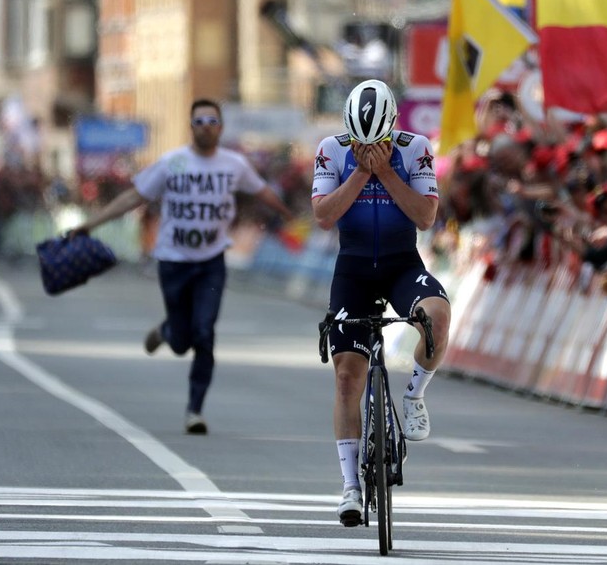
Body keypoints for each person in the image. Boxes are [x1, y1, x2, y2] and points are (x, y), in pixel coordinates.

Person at [71, 98, 293, 435]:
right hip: (174, 261)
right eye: (199, 121)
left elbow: (263, 194)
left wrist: (295, 218)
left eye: (212, 121)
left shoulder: (234, 164)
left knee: (204, 333)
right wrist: (92, 223)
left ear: (220, 127)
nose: (206, 127)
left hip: (211, 262)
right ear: (191, 127)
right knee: (181, 342)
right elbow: (134, 196)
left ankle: (195, 410)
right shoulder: (173, 163)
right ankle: (167, 332)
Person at [311, 79, 451, 527]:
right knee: (347, 379)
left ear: (392, 129)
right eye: (358, 142)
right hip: (352, 268)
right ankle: (350, 487)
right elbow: (323, 216)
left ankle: (414, 395)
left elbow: (426, 218)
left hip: (400, 264)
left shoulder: (416, 148)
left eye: (377, 143)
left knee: (438, 314)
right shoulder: (332, 150)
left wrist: (388, 172)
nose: (367, 148)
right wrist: (360, 173)